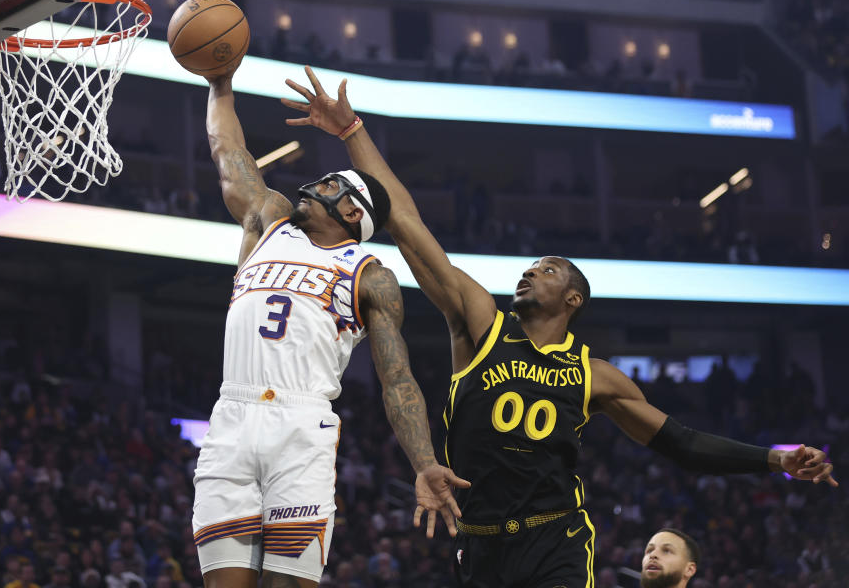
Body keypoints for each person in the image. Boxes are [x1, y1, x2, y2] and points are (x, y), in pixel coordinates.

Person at [281, 66, 838, 588]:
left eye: (546, 269)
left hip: (557, 541)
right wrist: (352, 131)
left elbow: (682, 443)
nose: (529, 271)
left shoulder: (595, 377)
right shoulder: (481, 325)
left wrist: (776, 459)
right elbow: (405, 222)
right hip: (480, 544)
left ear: (572, 298)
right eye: (529, 266)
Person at [192, 71, 467, 588]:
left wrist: (425, 462)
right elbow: (228, 154)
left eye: (326, 185)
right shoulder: (267, 222)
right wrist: (219, 84)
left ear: (349, 208)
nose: (307, 186)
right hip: (232, 416)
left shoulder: (372, 276)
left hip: (301, 426)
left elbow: (398, 378)